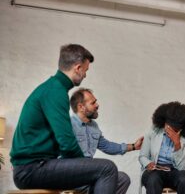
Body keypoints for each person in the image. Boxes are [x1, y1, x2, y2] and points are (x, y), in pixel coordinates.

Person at [10, 44, 119, 194]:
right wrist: (85, 166)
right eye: (86, 70)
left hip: (35, 166)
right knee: (107, 168)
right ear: (78, 68)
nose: (85, 75)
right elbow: (66, 142)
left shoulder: (53, 88)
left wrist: (85, 167)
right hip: (31, 169)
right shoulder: (56, 91)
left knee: (107, 174)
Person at [69, 87, 144, 194]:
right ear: (81, 107)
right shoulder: (67, 125)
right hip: (71, 174)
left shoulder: (93, 126)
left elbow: (107, 146)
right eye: (93, 103)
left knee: (123, 179)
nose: (97, 105)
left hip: (88, 173)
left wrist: (133, 146)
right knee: (106, 167)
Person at [139, 101, 185, 194]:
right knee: (153, 179)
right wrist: (148, 163)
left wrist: (177, 144)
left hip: (176, 171)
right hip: (155, 170)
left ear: (181, 129)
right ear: (164, 121)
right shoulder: (153, 132)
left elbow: (183, 168)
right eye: (167, 126)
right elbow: (142, 156)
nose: (169, 130)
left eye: (174, 129)